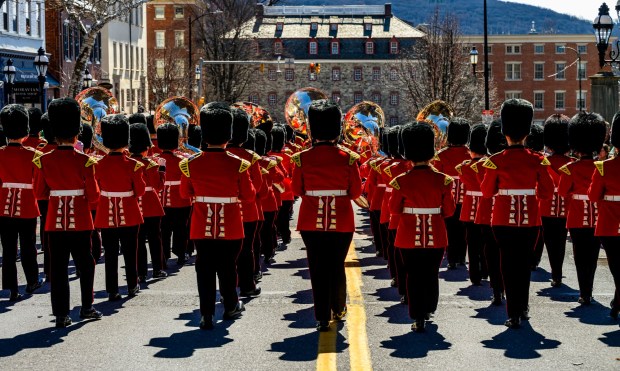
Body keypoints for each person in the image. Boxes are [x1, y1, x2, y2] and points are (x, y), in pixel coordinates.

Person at [179, 103, 255, 330]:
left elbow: (185, 194)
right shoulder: (239, 164)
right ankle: (231, 305)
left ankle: (206, 314)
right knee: (228, 267)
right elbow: (249, 196)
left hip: (201, 226)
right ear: (227, 134)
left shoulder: (189, 164)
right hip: (231, 224)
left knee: (204, 269)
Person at [480, 99, 554, 329]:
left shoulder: (495, 161)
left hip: (502, 221)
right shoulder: (538, 160)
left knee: (508, 265)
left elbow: (486, 192)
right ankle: (523, 307)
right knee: (523, 266)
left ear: (505, 132)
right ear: (527, 131)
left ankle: (512, 312)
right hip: (531, 220)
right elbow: (547, 193)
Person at [291, 99, 363, 332]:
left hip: (311, 221)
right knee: (336, 265)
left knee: (317, 268)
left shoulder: (302, 158)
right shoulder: (349, 158)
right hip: (341, 221)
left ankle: (321, 316)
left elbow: (296, 190)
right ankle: (339, 307)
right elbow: (356, 192)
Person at [33, 97, 102, 328]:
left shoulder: (43, 160)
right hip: (81, 221)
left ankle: (61, 314)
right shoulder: (85, 160)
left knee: (58, 268)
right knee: (86, 264)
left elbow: (40, 193)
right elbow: (93, 196)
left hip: (54, 222)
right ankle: (87, 307)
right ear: (76, 132)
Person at [389, 122, 456, 332]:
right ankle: (428, 308)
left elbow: (394, 209)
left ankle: (417, 315)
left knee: (412, 274)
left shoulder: (401, 181)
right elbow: (450, 211)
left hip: (408, 235)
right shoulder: (443, 180)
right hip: (436, 234)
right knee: (431, 272)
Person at [558, 112, 607, 305]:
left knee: (580, 255)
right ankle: (590, 289)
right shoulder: (601, 167)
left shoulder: (570, 168)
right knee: (593, 255)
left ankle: (583, 292)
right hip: (596, 216)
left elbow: (562, 192)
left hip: (577, 216)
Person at [95, 114, 146, 300]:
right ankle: (132, 285)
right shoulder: (134, 165)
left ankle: (112, 289)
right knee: (130, 251)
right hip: (130, 213)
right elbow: (139, 192)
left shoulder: (98, 164)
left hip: (107, 212)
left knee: (110, 254)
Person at [0, 104, 42, 301]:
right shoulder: (33, 155)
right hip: (27, 205)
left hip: (4, 206)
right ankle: (32, 281)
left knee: (8, 249)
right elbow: (39, 183)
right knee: (28, 246)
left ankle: (11, 287)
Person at [227, 108, 263, 297]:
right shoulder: (250, 157)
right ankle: (247, 285)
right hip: (248, 210)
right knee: (247, 249)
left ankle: (230, 285)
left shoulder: (220, 156)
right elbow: (257, 186)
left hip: (224, 210)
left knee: (227, 254)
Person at [589, 111, 620, 319]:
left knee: (616, 266)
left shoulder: (603, 167)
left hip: (610, 223)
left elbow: (593, 195)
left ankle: (618, 303)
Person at [129, 122, 168, 282]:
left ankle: (141, 272)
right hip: (151, 205)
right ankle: (157, 269)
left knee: (138, 240)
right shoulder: (151, 164)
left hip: (135, 205)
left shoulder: (129, 162)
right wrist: (162, 169)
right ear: (146, 146)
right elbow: (158, 186)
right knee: (155, 238)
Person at [433, 118, 471, 269]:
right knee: (464, 230)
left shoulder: (441, 155)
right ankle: (461, 257)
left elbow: (437, 179)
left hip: (448, 199)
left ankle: (452, 258)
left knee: (450, 229)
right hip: (467, 199)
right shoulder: (470, 154)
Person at [540, 115, 572, 287]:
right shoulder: (572, 163)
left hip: (546, 208)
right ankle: (558, 273)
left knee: (551, 242)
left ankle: (556, 273)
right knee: (560, 242)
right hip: (568, 208)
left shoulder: (544, 163)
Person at [478, 121, 507, 305]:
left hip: (488, 212)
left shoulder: (484, 163)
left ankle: (497, 289)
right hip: (506, 214)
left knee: (492, 253)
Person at [456, 123, 489, 286]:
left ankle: (474, 274)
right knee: (485, 241)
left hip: (469, 207)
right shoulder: (489, 165)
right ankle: (485, 270)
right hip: (485, 206)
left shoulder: (463, 167)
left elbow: (463, 181)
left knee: (472, 243)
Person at [157, 123, 192, 266]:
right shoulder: (183, 160)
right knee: (181, 228)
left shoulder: (156, 160)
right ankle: (181, 253)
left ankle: (164, 254)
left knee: (164, 230)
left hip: (162, 200)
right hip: (181, 199)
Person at [269, 125, 294, 247]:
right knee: (284, 216)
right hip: (287, 190)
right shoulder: (289, 157)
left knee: (273, 217)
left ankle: (277, 235)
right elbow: (291, 174)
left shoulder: (267, 157)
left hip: (272, 191)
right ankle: (285, 235)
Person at [526, 123, 546, 270]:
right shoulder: (541, 159)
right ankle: (534, 259)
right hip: (536, 201)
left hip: (530, 200)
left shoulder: (531, 158)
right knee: (538, 233)